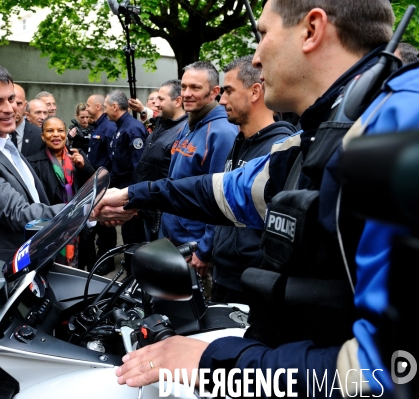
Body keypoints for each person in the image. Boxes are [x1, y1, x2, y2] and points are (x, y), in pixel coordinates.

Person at [93, 0, 400, 395]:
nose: (256, 55)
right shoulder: (322, 136)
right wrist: (136, 195)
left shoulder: (398, 135)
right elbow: (226, 191)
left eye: (263, 34)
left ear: (312, 29)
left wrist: (216, 364)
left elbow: (390, 369)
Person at [0, 62, 69, 269]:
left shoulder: (5, 143)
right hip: (4, 273)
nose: (10, 109)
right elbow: (22, 214)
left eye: (11, 99)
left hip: (33, 260)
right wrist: (90, 207)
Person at [211, 55, 297, 304]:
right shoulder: (239, 141)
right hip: (223, 276)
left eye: (228, 91)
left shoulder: (279, 148)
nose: (222, 100)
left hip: (252, 282)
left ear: (255, 91)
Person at [160, 61, 238, 277]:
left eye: (195, 88)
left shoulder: (222, 133)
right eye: (184, 87)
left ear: (214, 92)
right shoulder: (188, 123)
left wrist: (205, 250)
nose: (186, 93)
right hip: (174, 240)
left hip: (194, 249)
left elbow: (220, 198)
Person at [27, 116, 95, 268]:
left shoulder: (78, 155)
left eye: (60, 130)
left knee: (81, 268)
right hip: (51, 227)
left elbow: (93, 184)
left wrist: (84, 167)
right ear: (43, 136)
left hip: (79, 225)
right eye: (50, 131)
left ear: (66, 133)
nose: (56, 134)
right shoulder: (33, 163)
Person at [133, 79, 187, 241]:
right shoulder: (161, 125)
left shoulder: (184, 132)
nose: (155, 103)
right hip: (149, 208)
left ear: (178, 101)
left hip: (166, 214)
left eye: (161, 99)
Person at [105, 90, 148, 246]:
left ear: (114, 107)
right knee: (128, 233)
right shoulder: (120, 127)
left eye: (106, 107)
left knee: (133, 235)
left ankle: (134, 269)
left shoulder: (132, 129)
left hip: (131, 188)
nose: (105, 111)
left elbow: (139, 166)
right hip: (122, 186)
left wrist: (136, 199)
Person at [85, 93, 118, 274]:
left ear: (98, 107)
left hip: (103, 183)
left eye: (89, 106)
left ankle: (108, 259)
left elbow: (111, 158)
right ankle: (102, 255)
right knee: (98, 223)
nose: (86, 109)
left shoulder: (108, 128)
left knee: (105, 225)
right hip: (94, 181)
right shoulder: (97, 126)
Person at [12, 85, 44, 157]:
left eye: (18, 104)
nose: (14, 109)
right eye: (10, 102)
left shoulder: (39, 136)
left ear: (25, 106)